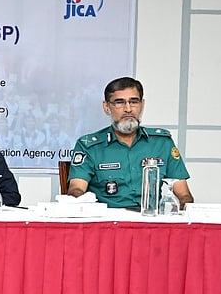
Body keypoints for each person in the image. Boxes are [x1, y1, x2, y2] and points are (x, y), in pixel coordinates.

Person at [67, 76, 193, 209]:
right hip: (108, 219)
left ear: (142, 105)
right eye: (119, 102)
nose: (128, 109)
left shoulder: (162, 143)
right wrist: (78, 204)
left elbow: (184, 195)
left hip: (151, 218)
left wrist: (183, 212)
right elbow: (76, 189)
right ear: (107, 107)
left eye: (134, 102)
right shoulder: (89, 146)